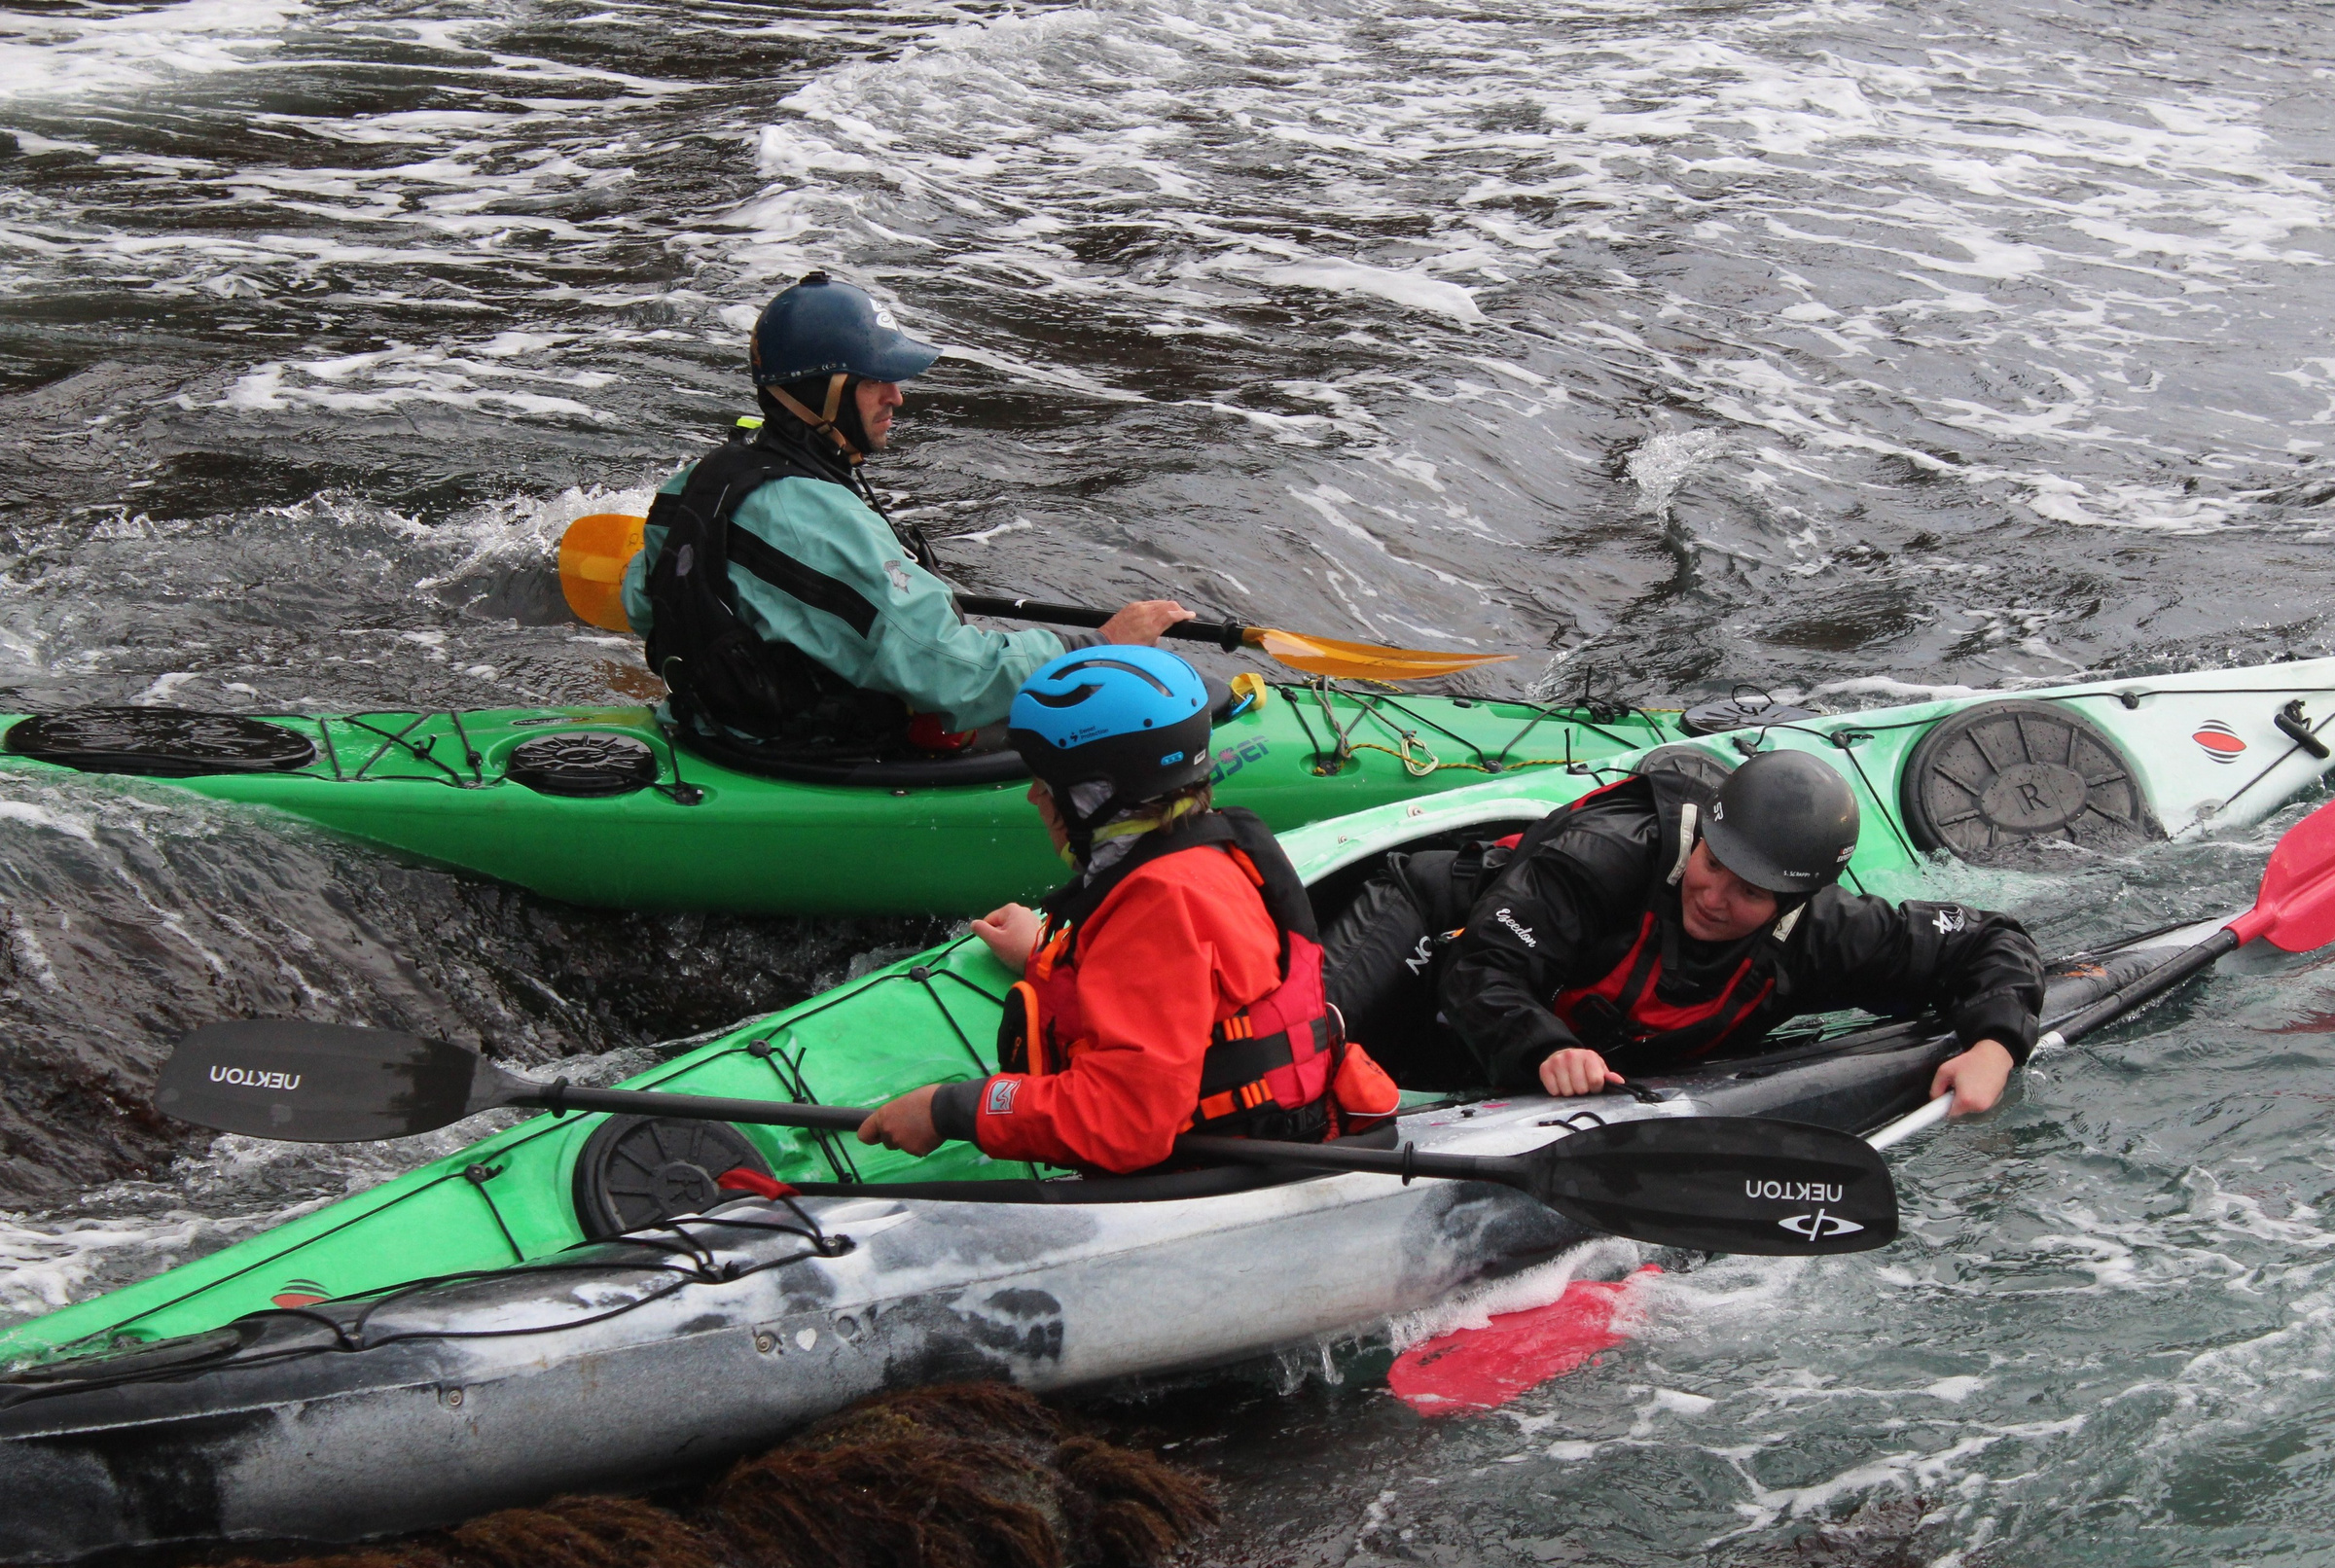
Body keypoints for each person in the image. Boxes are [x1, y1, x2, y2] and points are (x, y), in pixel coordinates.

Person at [855, 645, 1400, 1173]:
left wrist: (948, 1110)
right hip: (1254, 1130)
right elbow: (1186, 992)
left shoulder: (1162, 906)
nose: (1033, 799)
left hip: (1217, 1166)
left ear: (1097, 796)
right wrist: (1049, 959)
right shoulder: (1205, 855)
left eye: (1046, 785)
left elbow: (1123, 1122)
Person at [622, 272, 1195, 761]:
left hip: (707, 731)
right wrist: (1097, 643)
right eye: (875, 379)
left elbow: (642, 603)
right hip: (806, 756)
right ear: (826, 391)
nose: (896, 396)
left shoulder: (693, 482)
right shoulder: (817, 521)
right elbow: (950, 673)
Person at [1332, 750, 2045, 1112]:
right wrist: (1545, 1045)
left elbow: (1989, 940)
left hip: (1531, 1031)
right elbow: (1482, 970)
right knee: (1300, 1053)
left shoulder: (1819, 932)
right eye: (1712, 862)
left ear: (1794, 898)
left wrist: (1995, 1043)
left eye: (1749, 892)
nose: (1713, 894)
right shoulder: (1606, 857)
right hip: (1429, 926)